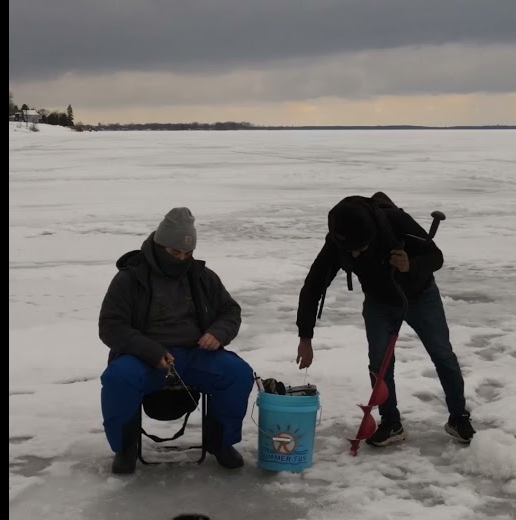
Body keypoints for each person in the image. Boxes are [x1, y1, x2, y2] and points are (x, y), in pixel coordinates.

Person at [295, 192, 475, 447]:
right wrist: (305, 336)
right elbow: (313, 286)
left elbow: (436, 257)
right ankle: (391, 423)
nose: (355, 255)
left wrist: (410, 264)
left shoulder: (396, 221)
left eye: (361, 248)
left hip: (420, 296)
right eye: (350, 251)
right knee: (379, 365)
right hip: (379, 302)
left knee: (442, 354)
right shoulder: (338, 241)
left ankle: (459, 417)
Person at [99, 207, 254, 474]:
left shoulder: (202, 276)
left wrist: (218, 333)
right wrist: (149, 350)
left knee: (237, 374)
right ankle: (125, 447)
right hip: (144, 358)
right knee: (117, 379)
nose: (182, 259)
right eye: (175, 253)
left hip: (195, 355)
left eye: (187, 254)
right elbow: (110, 326)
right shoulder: (129, 278)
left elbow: (230, 311)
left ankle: (221, 443)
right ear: (159, 246)